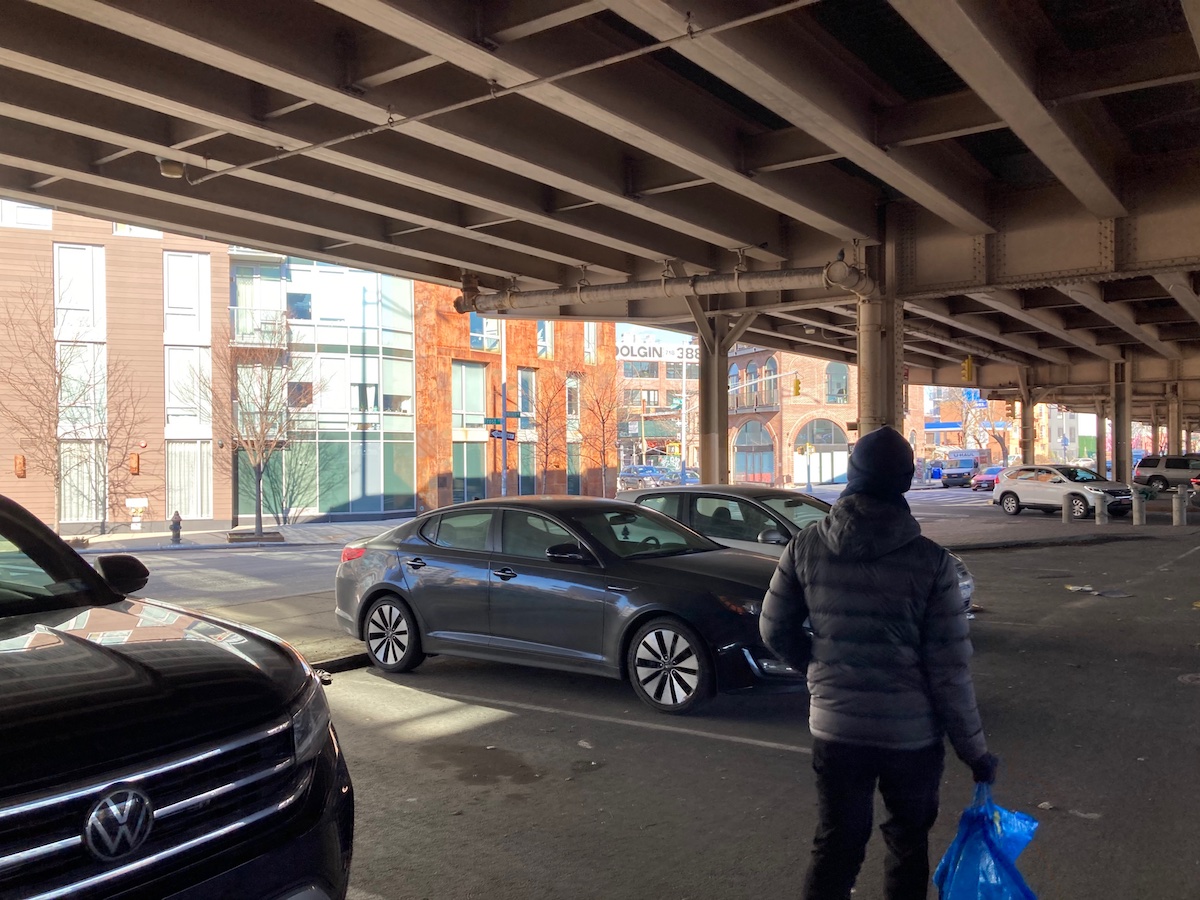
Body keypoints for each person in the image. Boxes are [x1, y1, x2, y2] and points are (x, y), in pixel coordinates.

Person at [761, 425, 997, 900]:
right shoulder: (931, 562)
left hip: (836, 728)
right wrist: (975, 752)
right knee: (907, 844)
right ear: (905, 482)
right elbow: (949, 670)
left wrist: (819, 670)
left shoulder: (805, 546)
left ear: (852, 474)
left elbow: (774, 630)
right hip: (911, 737)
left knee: (836, 845)